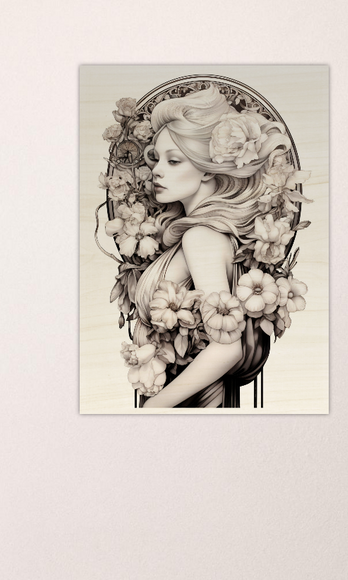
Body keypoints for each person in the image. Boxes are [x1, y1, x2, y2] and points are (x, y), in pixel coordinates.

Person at [113, 85, 302, 409]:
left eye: (173, 161)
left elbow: (228, 347)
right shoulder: (208, 231)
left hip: (195, 404)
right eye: (158, 159)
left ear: (206, 168)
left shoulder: (200, 237)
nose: (156, 170)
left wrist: (154, 408)